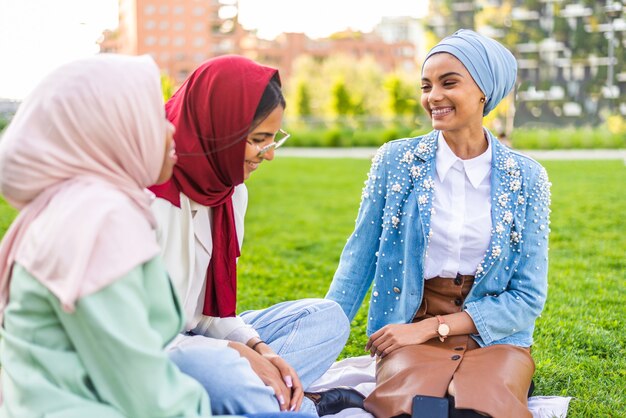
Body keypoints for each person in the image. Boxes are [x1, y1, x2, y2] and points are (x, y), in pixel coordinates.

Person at [327, 29, 551, 418]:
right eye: (426, 85)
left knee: (477, 412)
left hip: (493, 337)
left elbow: (528, 297)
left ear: (485, 92)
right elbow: (357, 260)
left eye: (449, 83)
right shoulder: (395, 162)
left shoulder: (526, 178)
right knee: (419, 410)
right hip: (408, 325)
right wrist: (320, 337)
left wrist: (432, 329)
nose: (433, 97)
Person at [0, 54, 211, 417]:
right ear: (109, 129)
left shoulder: (78, 205)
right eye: (154, 117)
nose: (171, 129)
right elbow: (147, 394)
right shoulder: (97, 220)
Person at [149, 55, 352, 417]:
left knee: (327, 318)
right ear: (219, 129)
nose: (269, 155)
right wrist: (233, 355)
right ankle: (296, 407)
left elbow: (210, 315)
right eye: (259, 140)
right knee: (222, 372)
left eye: (274, 139)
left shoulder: (228, 192)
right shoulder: (148, 194)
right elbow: (130, 331)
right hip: (149, 348)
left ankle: (248, 399)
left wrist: (261, 350)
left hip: (196, 338)